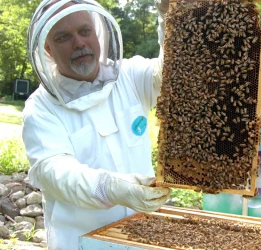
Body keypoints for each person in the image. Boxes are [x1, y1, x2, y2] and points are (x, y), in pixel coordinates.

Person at [23, 0, 171, 249]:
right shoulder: (41, 108)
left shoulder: (130, 76)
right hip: (80, 242)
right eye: (63, 37)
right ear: (48, 48)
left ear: (98, 32)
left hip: (145, 237)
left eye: (84, 31)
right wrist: (109, 188)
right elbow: (54, 171)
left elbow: (174, 74)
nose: (79, 42)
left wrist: (171, 22)